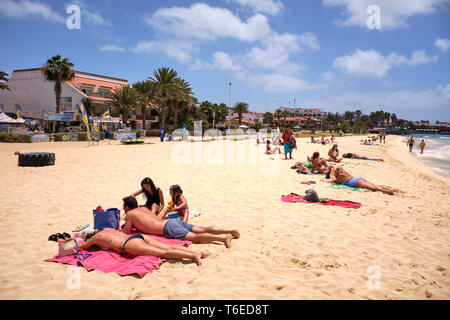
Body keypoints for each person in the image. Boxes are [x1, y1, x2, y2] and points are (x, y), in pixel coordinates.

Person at [121, 197, 240, 248]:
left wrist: (124, 221)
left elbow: (126, 233)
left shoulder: (130, 215)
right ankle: (229, 230)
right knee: (201, 229)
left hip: (168, 228)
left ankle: (223, 238)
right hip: (173, 222)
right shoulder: (144, 209)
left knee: (195, 237)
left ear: (127, 207)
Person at [77, 228, 208, 266]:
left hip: (130, 245)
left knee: (164, 252)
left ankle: (192, 255)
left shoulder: (94, 238)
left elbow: (80, 246)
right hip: (139, 236)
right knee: (167, 246)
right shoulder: (108, 229)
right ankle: (195, 251)